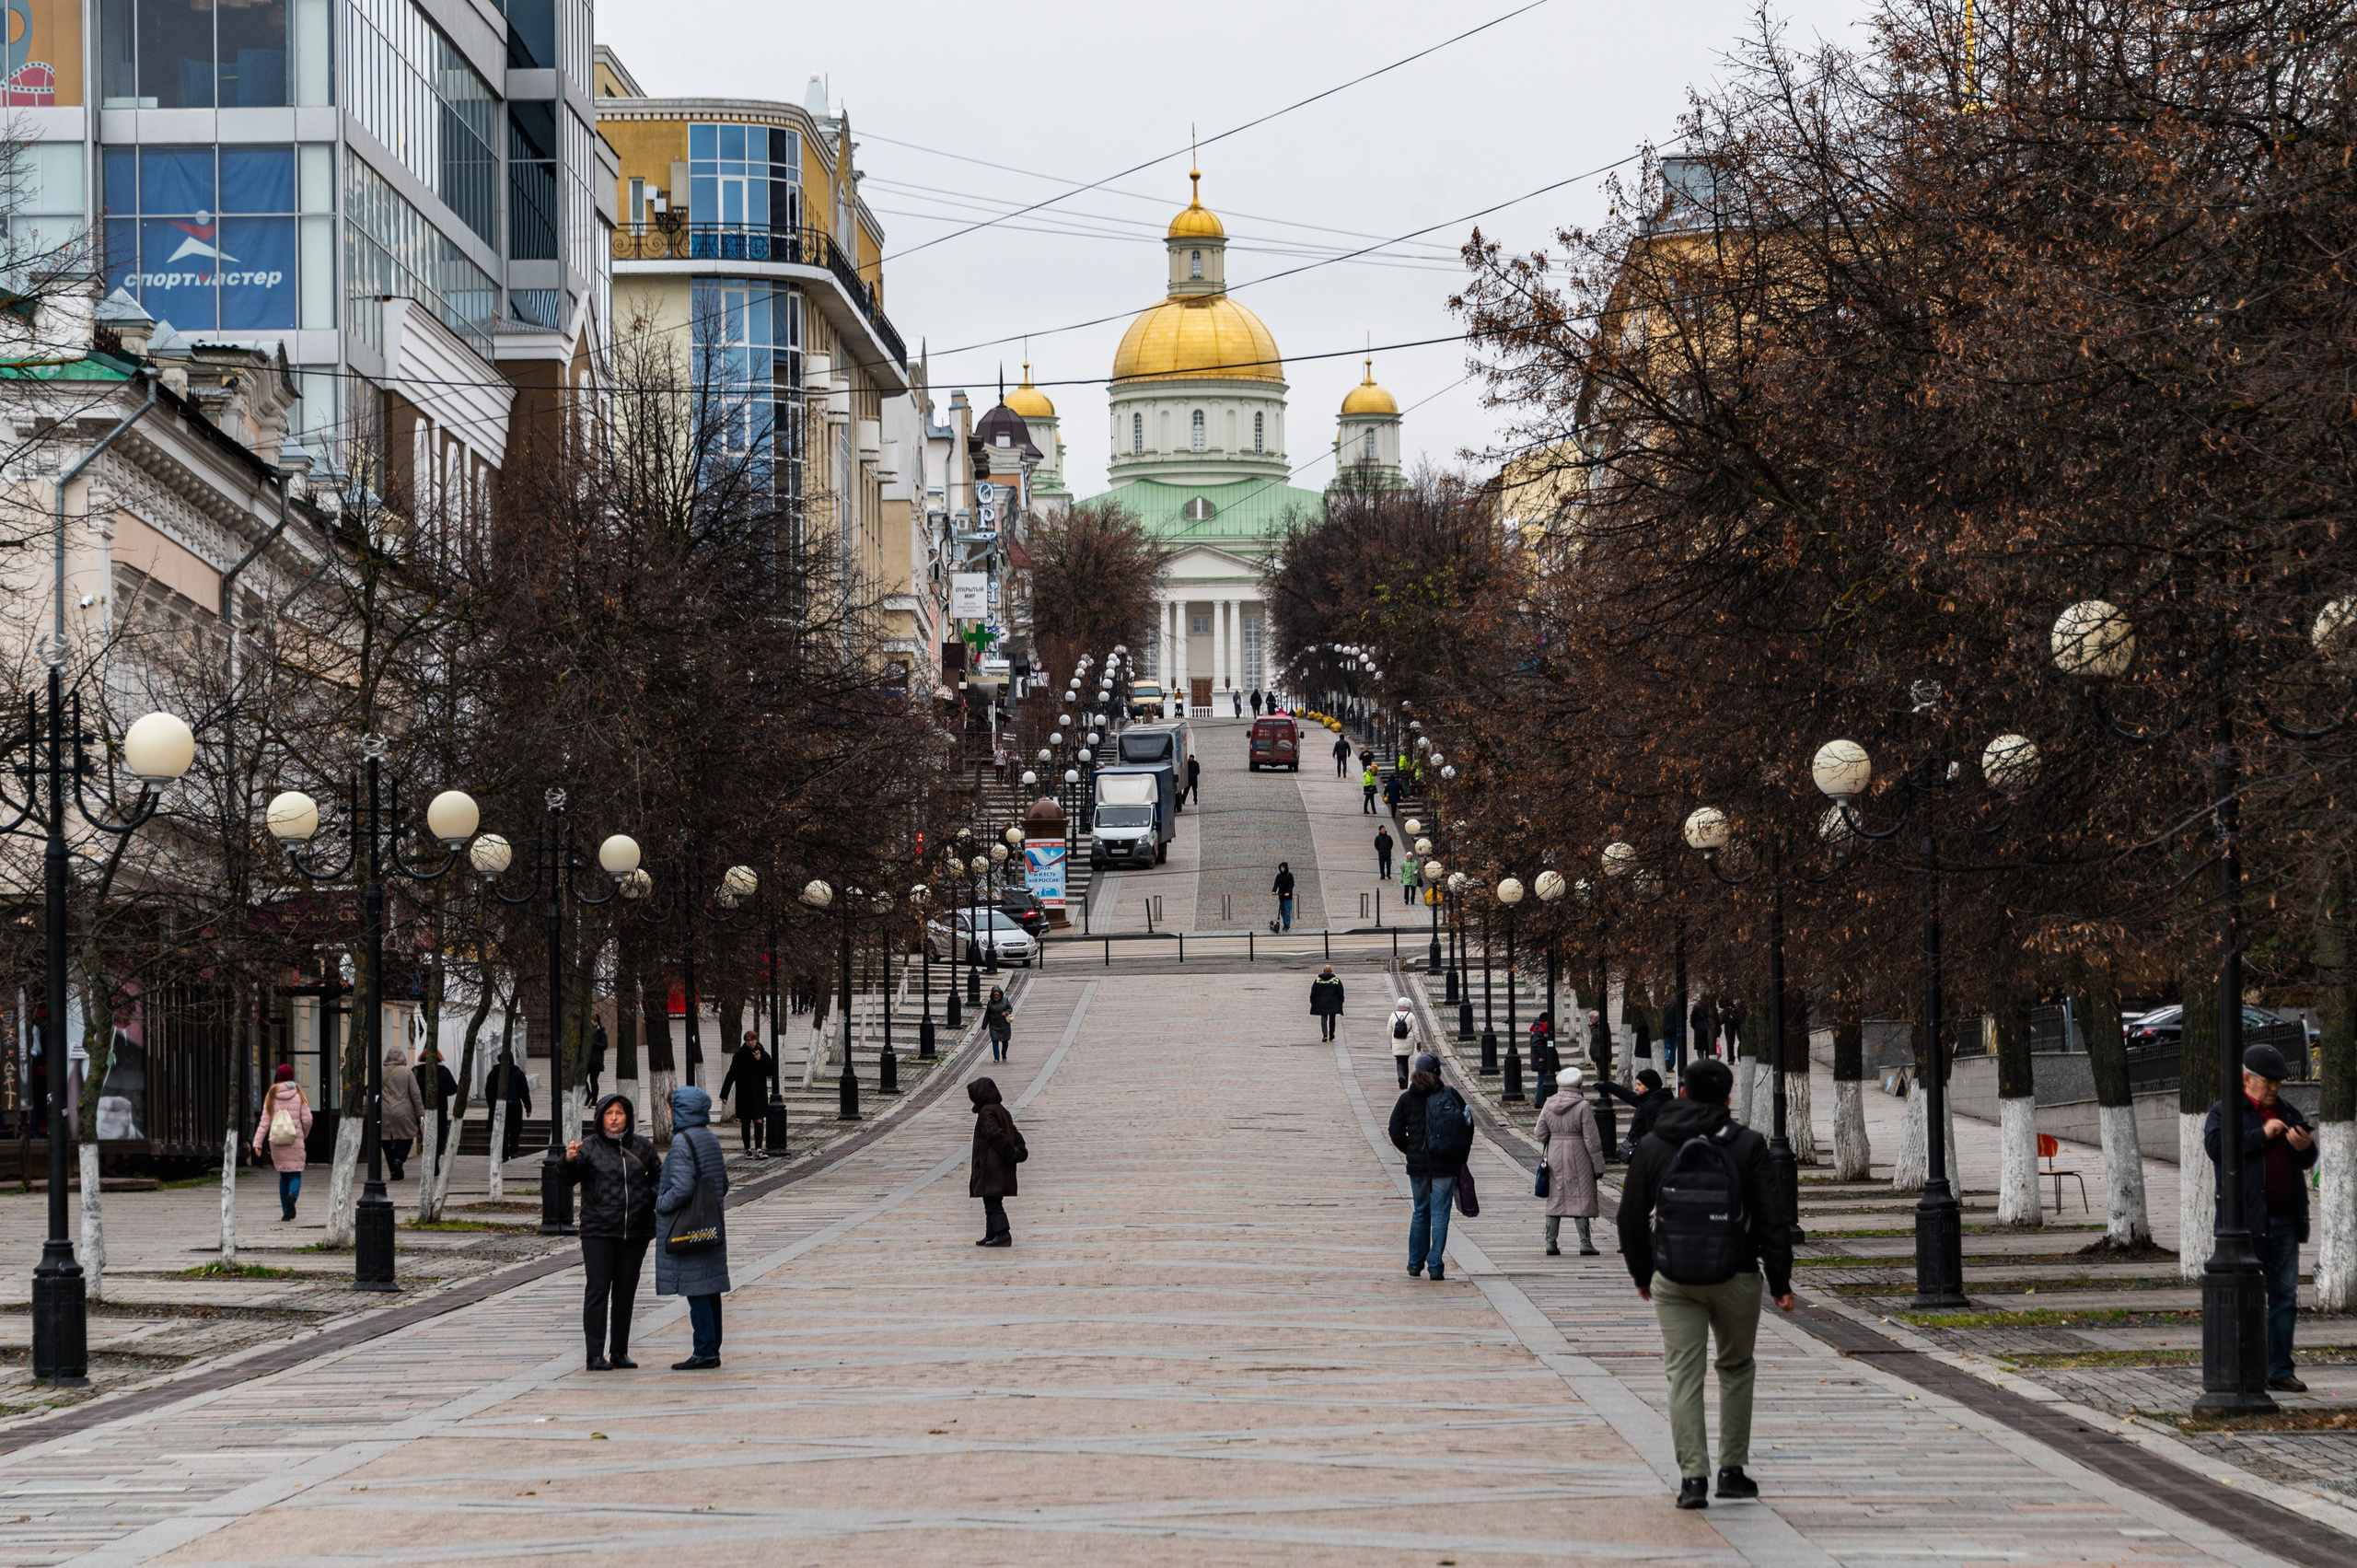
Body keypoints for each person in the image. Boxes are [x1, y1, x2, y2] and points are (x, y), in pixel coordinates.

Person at [1617, 1057, 1794, 1509]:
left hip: (1673, 1278)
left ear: (1682, 1094)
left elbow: (1629, 1216)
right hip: (1736, 1274)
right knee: (1736, 1368)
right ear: (1728, 1100)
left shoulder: (1655, 1144)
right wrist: (1780, 1281)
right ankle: (1732, 1472)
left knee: (1683, 1374)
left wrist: (1642, 1273)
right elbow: (1773, 1218)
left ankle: (1693, 1479)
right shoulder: (1748, 1144)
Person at [2205, 1042, 2318, 1392]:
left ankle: (2280, 1369)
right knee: (2245, 1300)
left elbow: (2306, 1160)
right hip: (2245, 1225)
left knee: (2284, 1298)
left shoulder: (2288, 1111)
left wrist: (2306, 1148)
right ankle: (2245, 1369)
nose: (2274, 1089)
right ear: (2246, 1079)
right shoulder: (2225, 1111)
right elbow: (2217, 1148)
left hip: (2285, 1221)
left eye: (2278, 1083)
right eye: (2267, 1082)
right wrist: (2261, 1135)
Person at [565, 1093, 661, 1370]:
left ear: (628, 1116)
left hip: (635, 1231)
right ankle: (594, 1354)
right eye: (609, 1113)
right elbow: (566, 1180)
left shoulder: (642, 1146)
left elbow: (660, 1176)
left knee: (625, 1291)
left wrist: (646, 1199)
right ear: (600, 1117)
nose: (615, 1118)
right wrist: (568, 1160)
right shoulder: (588, 1148)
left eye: (620, 1112)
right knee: (598, 1290)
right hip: (599, 1231)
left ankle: (620, 1351)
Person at [655, 1085, 732, 1369]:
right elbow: (723, 1183)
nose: (668, 1113)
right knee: (710, 1290)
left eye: (670, 1108)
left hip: (689, 1229)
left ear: (679, 1110)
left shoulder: (681, 1141)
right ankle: (711, 1349)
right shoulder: (708, 1137)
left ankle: (704, 1351)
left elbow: (682, 1188)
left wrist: (660, 1203)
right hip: (710, 1225)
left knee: (697, 1291)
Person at [1387, 1052, 1469, 1281]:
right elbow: (1467, 1126)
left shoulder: (1407, 1099)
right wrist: (1459, 1155)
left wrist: (1411, 1150)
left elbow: (1394, 1130)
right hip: (1444, 1163)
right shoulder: (1449, 1095)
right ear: (1436, 1072)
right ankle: (1435, 1265)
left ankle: (1415, 1263)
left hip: (1418, 1166)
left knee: (1420, 1211)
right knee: (1440, 1214)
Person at [1538, 1066, 1606, 1256]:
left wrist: (1554, 1138)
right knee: (1581, 1194)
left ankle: (1551, 1242)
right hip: (1579, 1153)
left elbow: (1540, 1132)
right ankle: (1585, 1243)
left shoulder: (1549, 1103)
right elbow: (1591, 1139)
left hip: (1555, 1152)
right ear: (1579, 1085)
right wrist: (1599, 1165)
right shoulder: (1582, 1106)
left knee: (1555, 1195)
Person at [968, 1075, 1027, 1246]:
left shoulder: (986, 1112)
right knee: (991, 1200)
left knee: (992, 1203)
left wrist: (1011, 1153)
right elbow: (1014, 1133)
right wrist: (1020, 1150)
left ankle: (1002, 1233)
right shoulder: (1001, 1110)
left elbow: (995, 1135)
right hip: (999, 1167)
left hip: (991, 1167)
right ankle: (991, 1233)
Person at [252, 1064, 313, 1222]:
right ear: (292, 1077)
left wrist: (257, 1142)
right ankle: (292, 1195)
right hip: (295, 1140)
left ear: (278, 1078)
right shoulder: (299, 1095)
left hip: (277, 1142)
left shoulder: (271, 1096)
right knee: (295, 1173)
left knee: (283, 1176)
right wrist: (303, 1134)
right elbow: (308, 1119)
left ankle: (286, 1212)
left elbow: (264, 1122)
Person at [377, 1046, 424, 1181]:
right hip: (404, 1111)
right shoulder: (407, 1072)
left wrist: (365, 1111)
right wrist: (421, 1114)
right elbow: (416, 1095)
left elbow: (371, 1093)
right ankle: (399, 1159)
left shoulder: (379, 1072)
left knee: (386, 1138)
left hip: (384, 1111)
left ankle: (393, 1171)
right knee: (407, 1136)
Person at [1604, 1068, 1672, 1158]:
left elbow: (1654, 1135)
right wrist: (1610, 1086)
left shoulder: (1652, 1105)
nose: (1636, 1088)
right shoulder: (1651, 1099)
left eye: (1639, 1084)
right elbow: (1631, 1097)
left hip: (1646, 1155)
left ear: (1649, 1086)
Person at [719, 1032, 769, 1154]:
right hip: (744, 1094)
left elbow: (770, 1071)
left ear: (756, 1040)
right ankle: (748, 1149)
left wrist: (760, 1060)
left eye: (752, 1040)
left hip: (759, 1093)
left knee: (759, 1120)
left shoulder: (763, 1054)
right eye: (747, 1040)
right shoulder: (739, 1056)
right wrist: (724, 1094)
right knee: (745, 1121)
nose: (750, 1043)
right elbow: (731, 1075)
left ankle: (759, 1149)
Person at [414, 1047, 459, 1164]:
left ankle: (428, 1156)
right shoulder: (444, 1071)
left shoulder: (416, 1071)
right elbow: (453, 1089)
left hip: (421, 1112)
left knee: (424, 1133)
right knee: (441, 1136)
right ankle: (436, 1156)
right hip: (440, 1110)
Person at [487, 1051, 532, 1161]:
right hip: (514, 1106)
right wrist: (528, 1107)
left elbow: (489, 1091)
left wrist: (492, 1106)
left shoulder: (493, 1073)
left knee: (501, 1130)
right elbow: (524, 1092)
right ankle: (514, 1151)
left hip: (498, 1106)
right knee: (515, 1130)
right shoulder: (518, 1073)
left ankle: (504, 1153)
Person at [1529, 1013, 1561, 1112]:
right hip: (1544, 1060)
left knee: (1543, 1078)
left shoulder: (1540, 1028)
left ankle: (1541, 1100)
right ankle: (1539, 1101)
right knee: (1542, 1079)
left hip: (1545, 1058)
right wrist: (1542, 1055)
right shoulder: (1541, 1029)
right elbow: (1537, 1043)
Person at [1387, 996, 1418, 1086]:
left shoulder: (1393, 1015)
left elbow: (1389, 1031)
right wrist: (1418, 1042)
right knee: (1405, 1061)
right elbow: (1416, 1031)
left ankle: (1401, 1076)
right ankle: (1405, 1084)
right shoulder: (1411, 1015)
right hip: (1408, 1042)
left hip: (1396, 1041)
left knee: (1399, 1062)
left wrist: (1391, 1042)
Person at [1310, 965, 1344, 1041]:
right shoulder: (1336, 980)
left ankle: (1325, 1035)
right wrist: (1341, 1001)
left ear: (1323, 971)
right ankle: (1331, 1034)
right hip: (1333, 1003)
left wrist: (1312, 1001)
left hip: (1322, 1002)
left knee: (1323, 1018)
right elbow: (1340, 992)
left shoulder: (1318, 980)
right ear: (1331, 971)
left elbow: (1313, 992)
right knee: (1332, 1019)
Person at [983, 985, 1013, 1062]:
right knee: (995, 1041)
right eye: (995, 995)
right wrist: (984, 1025)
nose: (996, 996)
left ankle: (1004, 1055)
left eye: (998, 995)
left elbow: (1010, 1008)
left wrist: (1006, 1012)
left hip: (1004, 1025)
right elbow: (987, 1014)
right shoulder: (990, 1003)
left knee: (1005, 1041)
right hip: (994, 1025)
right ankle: (996, 1058)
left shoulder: (1005, 1000)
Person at [586, 1020, 609, 1098]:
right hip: (585, 1061)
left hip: (595, 1061)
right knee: (581, 1080)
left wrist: (592, 1043)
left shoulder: (601, 1033)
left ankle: (594, 1100)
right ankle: (589, 1094)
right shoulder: (586, 1031)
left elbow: (604, 1046)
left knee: (593, 1081)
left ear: (596, 1022)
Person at [1272, 862, 1295, 931]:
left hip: (1287, 897)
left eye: (1283, 867)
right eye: (1281, 868)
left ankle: (1287, 925)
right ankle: (1285, 923)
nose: (1282, 869)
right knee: (1282, 911)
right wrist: (1274, 891)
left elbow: (1291, 885)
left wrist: (1288, 892)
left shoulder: (1289, 875)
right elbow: (1276, 884)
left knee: (1287, 911)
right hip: (1281, 896)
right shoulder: (1279, 876)